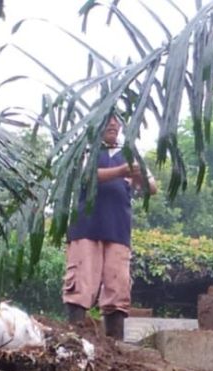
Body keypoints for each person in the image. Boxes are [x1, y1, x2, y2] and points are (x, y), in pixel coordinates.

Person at [63, 113, 157, 339]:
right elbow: (85, 178)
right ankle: (74, 339)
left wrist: (138, 177)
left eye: (117, 120)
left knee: (118, 287)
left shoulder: (130, 153)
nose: (113, 124)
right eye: (108, 119)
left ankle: (115, 346)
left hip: (118, 230)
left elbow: (152, 187)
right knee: (81, 284)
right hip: (86, 227)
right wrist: (121, 172)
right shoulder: (86, 150)